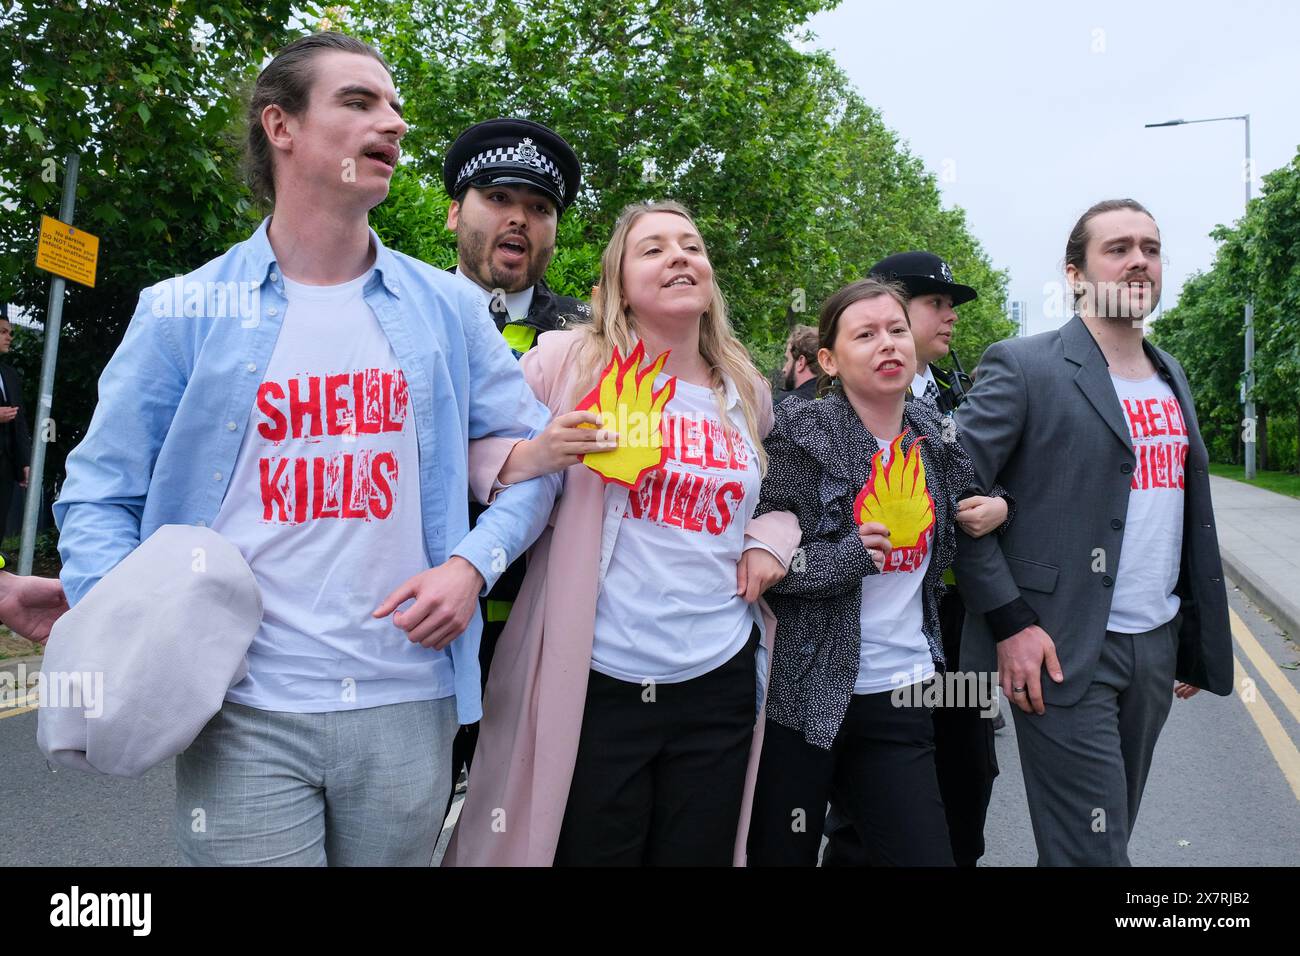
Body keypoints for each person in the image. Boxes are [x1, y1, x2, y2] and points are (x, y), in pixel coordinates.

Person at [53, 32, 560, 866]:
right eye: (360, 102)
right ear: (281, 126)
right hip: (242, 707)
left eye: (395, 106)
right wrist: (124, 618)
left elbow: (534, 469)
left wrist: (472, 566)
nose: (393, 123)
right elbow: (98, 494)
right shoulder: (183, 308)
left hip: (409, 701)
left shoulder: (448, 310)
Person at [443, 200, 801, 866]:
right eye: (654, 248)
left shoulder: (744, 389)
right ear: (616, 284)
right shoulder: (567, 364)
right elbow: (461, 444)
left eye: (691, 246)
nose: (679, 257)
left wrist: (771, 538)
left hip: (717, 676)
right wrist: (531, 455)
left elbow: (777, 496)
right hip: (598, 677)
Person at [953, 198, 1233, 866]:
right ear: (1075, 272)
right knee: (1094, 852)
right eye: (1118, 248)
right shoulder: (1024, 366)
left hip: (1154, 645)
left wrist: (1188, 632)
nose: (1139, 260)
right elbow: (951, 492)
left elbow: (1182, 515)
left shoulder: (1173, 377)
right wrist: (1011, 624)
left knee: (1106, 836)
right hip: (1060, 643)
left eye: (1151, 247)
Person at [746, 277, 1008, 867]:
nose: (887, 344)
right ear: (829, 360)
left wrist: (1001, 505)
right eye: (865, 335)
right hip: (803, 692)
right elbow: (764, 564)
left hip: (905, 687)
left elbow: (974, 494)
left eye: (895, 330)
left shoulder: (931, 431)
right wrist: (849, 557)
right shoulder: (797, 435)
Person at [821, 251, 1002, 867]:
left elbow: (984, 481)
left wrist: (1000, 505)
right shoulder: (818, 414)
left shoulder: (950, 400)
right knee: (854, 823)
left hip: (942, 627)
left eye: (949, 306)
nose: (948, 317)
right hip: (836, 648)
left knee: (966, 779)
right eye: (935, 304)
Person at [441, 118, 589, 794]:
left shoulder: (595, 337)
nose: (520, 219)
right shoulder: (410, 310)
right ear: (454, 213)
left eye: (539, 208)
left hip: (546, 634)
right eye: (498, 199)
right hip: (421, 624)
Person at [0, 313, 32, 540]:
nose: (9, 337)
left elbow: (20, 423)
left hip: (5, 466)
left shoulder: (9, 374)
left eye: (10, 333)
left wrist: (25, 463)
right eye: (3, 332)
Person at [772, 323, 820, 405]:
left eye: (788, 360)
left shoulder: (784, 406)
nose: (784, 369)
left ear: (801, 363)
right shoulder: (838, 403)